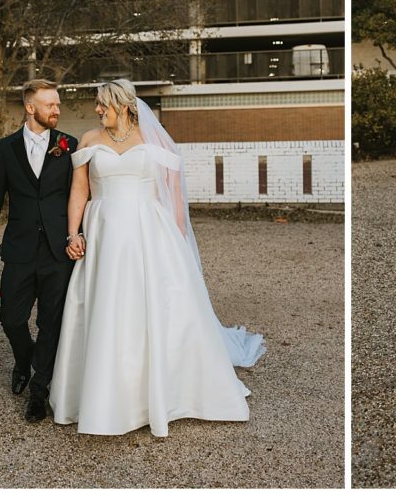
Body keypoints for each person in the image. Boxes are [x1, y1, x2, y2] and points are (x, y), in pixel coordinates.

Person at [49, 79, 265, 436]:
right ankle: (108, 398)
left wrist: (177, 239)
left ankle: (167, 394)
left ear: (123, 105)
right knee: (108, 309)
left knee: (159, 310)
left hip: (150, 234)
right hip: (104, 237)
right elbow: (79, 191)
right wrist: (74, 234)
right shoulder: (89, 141)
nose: (97, 110)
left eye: (103, 104)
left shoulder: (155, 140)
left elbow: (175, 195)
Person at [0, 79, 79, 423]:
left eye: (58, 104)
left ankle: (39, 390)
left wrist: (77, 235)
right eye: (51, 105)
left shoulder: (69, 145)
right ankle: (24, 359)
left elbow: (79, 196)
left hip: (57, 250)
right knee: (11, 317)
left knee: (52, 321)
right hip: (19, 247)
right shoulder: (5, 148)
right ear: (30, 107)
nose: (57, 110)